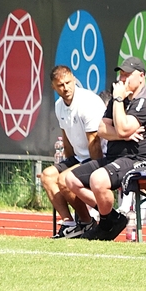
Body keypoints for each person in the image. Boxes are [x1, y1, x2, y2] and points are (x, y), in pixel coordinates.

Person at [64, 57, 146, 241]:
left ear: (141, 76)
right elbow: (102, 129)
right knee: (70, 179)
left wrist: (117, 100)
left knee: (98, 179)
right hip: (115, 157)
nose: (122, 79)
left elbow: (123, 127)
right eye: (121, 74)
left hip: (138, 159)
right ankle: (111, 218)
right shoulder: (119, 100)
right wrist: (122, 135)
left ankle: (104, 225)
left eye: (127, 75)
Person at [44, 65, 105, 238]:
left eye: (68, 82)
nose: (66, 88)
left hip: (99, 157)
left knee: (64, 179)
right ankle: (69, 223)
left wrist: (96, 171)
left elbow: (95, 142)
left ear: (74, 79)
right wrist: (68, 163)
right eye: (60, 85)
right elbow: (66, 138)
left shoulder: (88, 102)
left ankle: (86, 222)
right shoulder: (59, 106)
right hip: (79, 157)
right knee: (47, 176)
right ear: (53, 87)